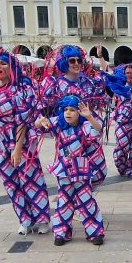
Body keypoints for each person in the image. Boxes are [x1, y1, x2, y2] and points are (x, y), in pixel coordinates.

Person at [0, 50, 50, 235]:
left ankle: (42, 218)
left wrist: (18, 149)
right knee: (10, 182)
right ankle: (25, 219)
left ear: (11, 66)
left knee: (31, 179)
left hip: (23, 137)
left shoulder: (23, 87)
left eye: (3, 63)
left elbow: (25, 119)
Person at [35, 95, 105, 246]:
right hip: (63, 170)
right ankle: (61, 232)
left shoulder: (85, 126)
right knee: (64, 201)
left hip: (82, 169)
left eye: (72, 110)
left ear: (79, 112)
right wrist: (40, 121)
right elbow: (36, 125)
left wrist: (89, 116)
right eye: (65, 109)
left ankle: (95, 232)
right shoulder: (58, 124)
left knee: (86, 201)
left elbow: (98, 130)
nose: (68, 113)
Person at [41, 45, 108, 188]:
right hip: (67, 130)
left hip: (88, 128)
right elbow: (45, 105)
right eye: (72, 61)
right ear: (64, 62)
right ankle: (73, 194)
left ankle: (84, 191)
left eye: (79, 60)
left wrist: (100, 57)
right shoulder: (56, 84)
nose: (76, 63)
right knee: (69, 165)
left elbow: (105, 75)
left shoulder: (88, 81)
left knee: (97, 168)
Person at [108, 64, 132, 179]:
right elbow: (108, 72)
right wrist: (100, 57)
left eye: (131, 72)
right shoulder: (118, 86)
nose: (129, 75)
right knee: (122, 146)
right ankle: (122, 166)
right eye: (126, 73)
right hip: (122, 121)